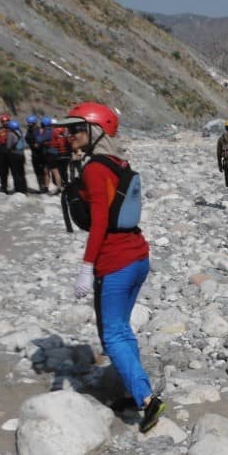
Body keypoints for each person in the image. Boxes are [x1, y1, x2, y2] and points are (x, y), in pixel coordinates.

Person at [55, 101, 164, 433]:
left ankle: (147, 400)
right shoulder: (118, 162)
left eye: (76, 128)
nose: (68, 133)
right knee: (122, 328)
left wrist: (87, 265)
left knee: (112, 334)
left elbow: (100, 220)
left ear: (95, 131)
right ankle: (133, 391)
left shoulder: (94, 168)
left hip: (114, 261)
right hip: (137, 255)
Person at [0, 120, 28, 194]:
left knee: (16, 173)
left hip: (14, 155)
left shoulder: (10, 134)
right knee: (22, 173)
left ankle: (18, 189)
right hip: (21, 154)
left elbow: (8, 146)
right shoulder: (20, 132)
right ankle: (24, 189)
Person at [25, 116, 46, 192]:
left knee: (42, 171)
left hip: (40, 153)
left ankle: (44, 186)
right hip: (35, 153)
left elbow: (40, 142)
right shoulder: (30, 131)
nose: (29, 125)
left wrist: (35, 144)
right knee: (38, 171)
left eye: (31, 124)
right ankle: (41, 187)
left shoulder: (38, 131)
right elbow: (27, 140)